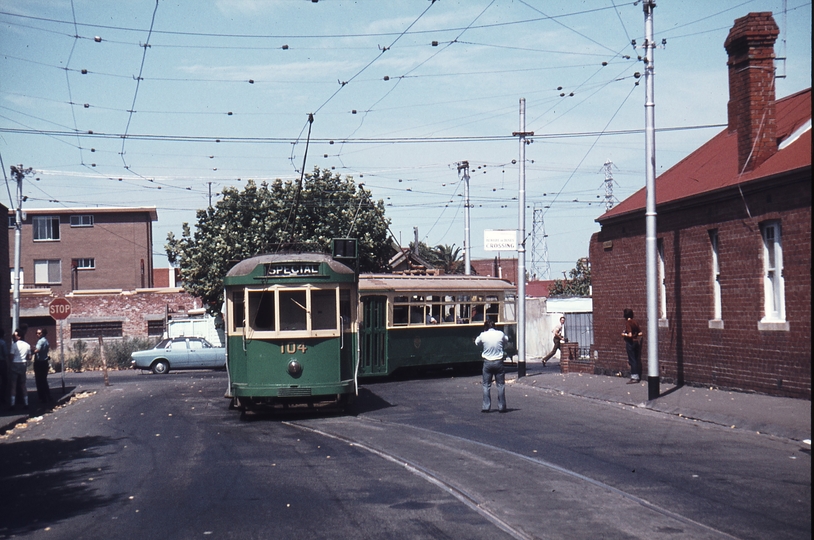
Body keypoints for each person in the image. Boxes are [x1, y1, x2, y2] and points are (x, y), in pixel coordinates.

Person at [475, 320, 508, 413]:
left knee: (486, 385)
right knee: (500, 385)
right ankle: (502, 407)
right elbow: (506, 340)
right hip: (498, 361)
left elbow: (477, 342)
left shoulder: (483, 335)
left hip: (487, 362)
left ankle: (486, 406)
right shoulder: (500, 334)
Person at [9, 327, 31, 410]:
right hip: (23, 364)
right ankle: (26, 403)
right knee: (23, 384)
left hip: (15, 364)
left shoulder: (14, 346)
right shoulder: (27, 345)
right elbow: (29, 357)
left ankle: (12, 404)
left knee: (13, 385)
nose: (14, 337)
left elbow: (11, 357)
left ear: (19, 336)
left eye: (15, 335)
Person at [622, 308, 643, 384]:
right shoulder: (635, 322)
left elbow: (630, 335)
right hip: (636, 342)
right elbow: (640, 333)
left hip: (630, 343)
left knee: (632, 359)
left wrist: (624, 334)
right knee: (636, 359)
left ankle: (634, 377)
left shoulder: (628, 323)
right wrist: (635, 335)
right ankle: (636, 374)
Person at [33, 328, 52, 403]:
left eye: (39, 333)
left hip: (39, 362)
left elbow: (37, 350)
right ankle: (48, 395)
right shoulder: (46, 341)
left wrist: (31, 350)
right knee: (44, 380)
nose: (38, 335)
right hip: (45, 361)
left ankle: (42, 397)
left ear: (43, 333)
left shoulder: (40, 341)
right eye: (37, 333)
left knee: (39, 380)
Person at [0, 328, 7, 408]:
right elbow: (5, 354)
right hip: (2, 362)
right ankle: (2, 397)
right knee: (4, 380)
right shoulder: (3, 343)